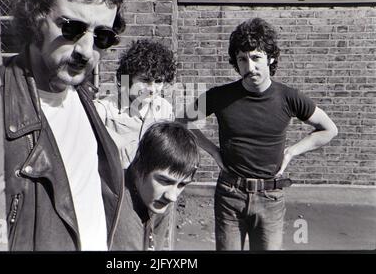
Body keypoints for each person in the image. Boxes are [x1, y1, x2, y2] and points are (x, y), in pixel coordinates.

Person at [180, 18, 338, 250]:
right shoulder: (220, 96)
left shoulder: (288, 97)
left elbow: (329, 129)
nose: (250, 67)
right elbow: (182, 121)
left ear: (270, 58)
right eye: (242, 59)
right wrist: (213, 151)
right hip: (230, 195)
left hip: (271, 196)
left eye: (256, 58)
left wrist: (292, 152)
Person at [1, 0, 126, 251]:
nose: (86, 49)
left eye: (102, 36)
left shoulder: (85, 99)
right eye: (71, 28)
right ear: (36, 18)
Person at [111, 122, 200, 250]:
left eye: (181, 185)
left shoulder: (157, 200)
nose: (173, 196)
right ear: (139, 167)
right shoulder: (114, 206)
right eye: (165, 181)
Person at [94, 39, 176, 169]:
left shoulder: (165, 109)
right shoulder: (103, 109)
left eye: (158, 81)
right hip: (114, 185)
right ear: (126, 78)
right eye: (145, 80)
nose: (152, 89)